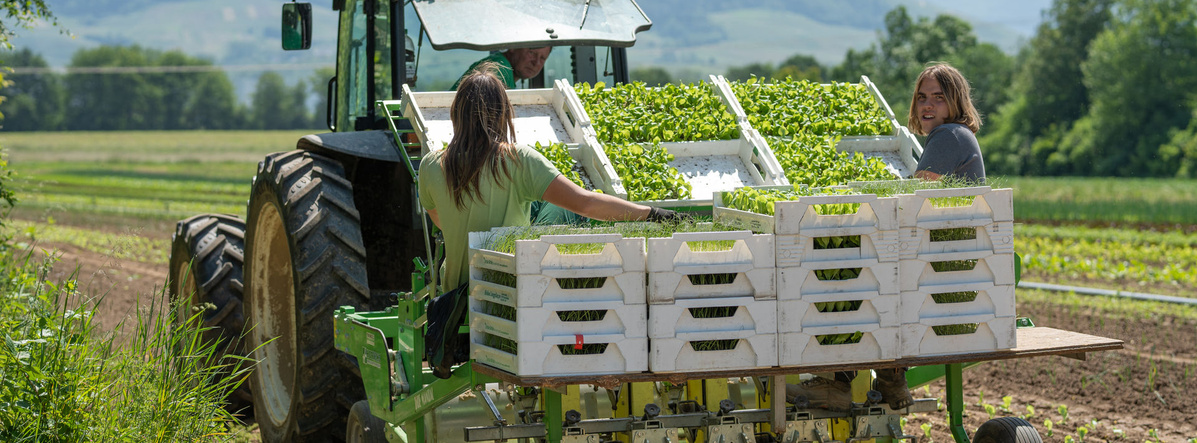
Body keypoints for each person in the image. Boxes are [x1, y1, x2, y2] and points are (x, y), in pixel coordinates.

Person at [420, 64, 684, 291]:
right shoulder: (517, 160)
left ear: (456, 114)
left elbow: (440, 219)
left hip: (456, 300)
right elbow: (585, 204)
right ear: (503, 114)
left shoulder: (431, 166)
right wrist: (651, 214)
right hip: (507, 295)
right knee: (560, 209)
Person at [909, 63, 985, 183]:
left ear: (956, 101)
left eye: (938, 97)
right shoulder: (959, 132)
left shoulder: (947, 134)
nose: (926, 105)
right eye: (922, 97)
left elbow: (919, 191)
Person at [451, 47, 552, 91]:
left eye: (543, 58)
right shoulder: (499, 69)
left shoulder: (500, 65)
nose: (536, 63)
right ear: (513, 47)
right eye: (532, 53)